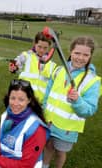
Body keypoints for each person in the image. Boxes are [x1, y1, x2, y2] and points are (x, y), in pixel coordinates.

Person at [42, 36, 101, 168]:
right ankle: (44, 166)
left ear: (91, 56)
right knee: (48, 146)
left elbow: (90, 109)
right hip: (49, 121)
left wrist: (77, 100)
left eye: (86, 55)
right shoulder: (58, 70)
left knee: (60, 152)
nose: (80, 58)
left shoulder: (92, 80)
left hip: (67, 128)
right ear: (70, 52)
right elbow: (48, 93)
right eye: (77, 53)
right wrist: (43, 109)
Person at [0, 79, 50, 168]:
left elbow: (26, 165)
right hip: (4, 163)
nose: (15, 103)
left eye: (21, 99)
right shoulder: (6, 115)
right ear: (9, 97)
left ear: (29, 100)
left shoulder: (37, 129)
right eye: (13, 98)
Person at [9, 31, 56, 104]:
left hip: (40, 103)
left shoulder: (51, 64)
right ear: (35, 44)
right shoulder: (26, 56)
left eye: (45, 48)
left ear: (49, 47)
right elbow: (17, 62)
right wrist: (14, 67)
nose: (42, 50)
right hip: (23, 99)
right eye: (39, 46)